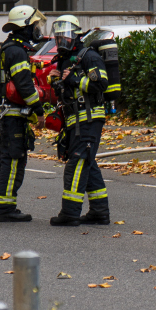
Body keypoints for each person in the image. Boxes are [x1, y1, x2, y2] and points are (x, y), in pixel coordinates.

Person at [0, 5, 45, 222]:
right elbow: (24, 85)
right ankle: (6, 208)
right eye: (36, 24)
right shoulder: (17, 51)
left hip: (0, 113)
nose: (38, 28)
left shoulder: (6, 47)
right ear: (26, 25)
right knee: (14, 158)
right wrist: (39, 110)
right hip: (12, 115)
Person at [50, 25, 110, 226]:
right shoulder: (66, 60)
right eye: (58, 39)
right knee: (87, 163)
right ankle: (99, 213)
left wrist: (74, 80)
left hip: (89, 118)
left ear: (75, 37)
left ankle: (70, 213)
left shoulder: (89, 56)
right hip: (75, 120)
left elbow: (100, 84)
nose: (61, 42)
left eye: (65, 38)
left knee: (76, 164)